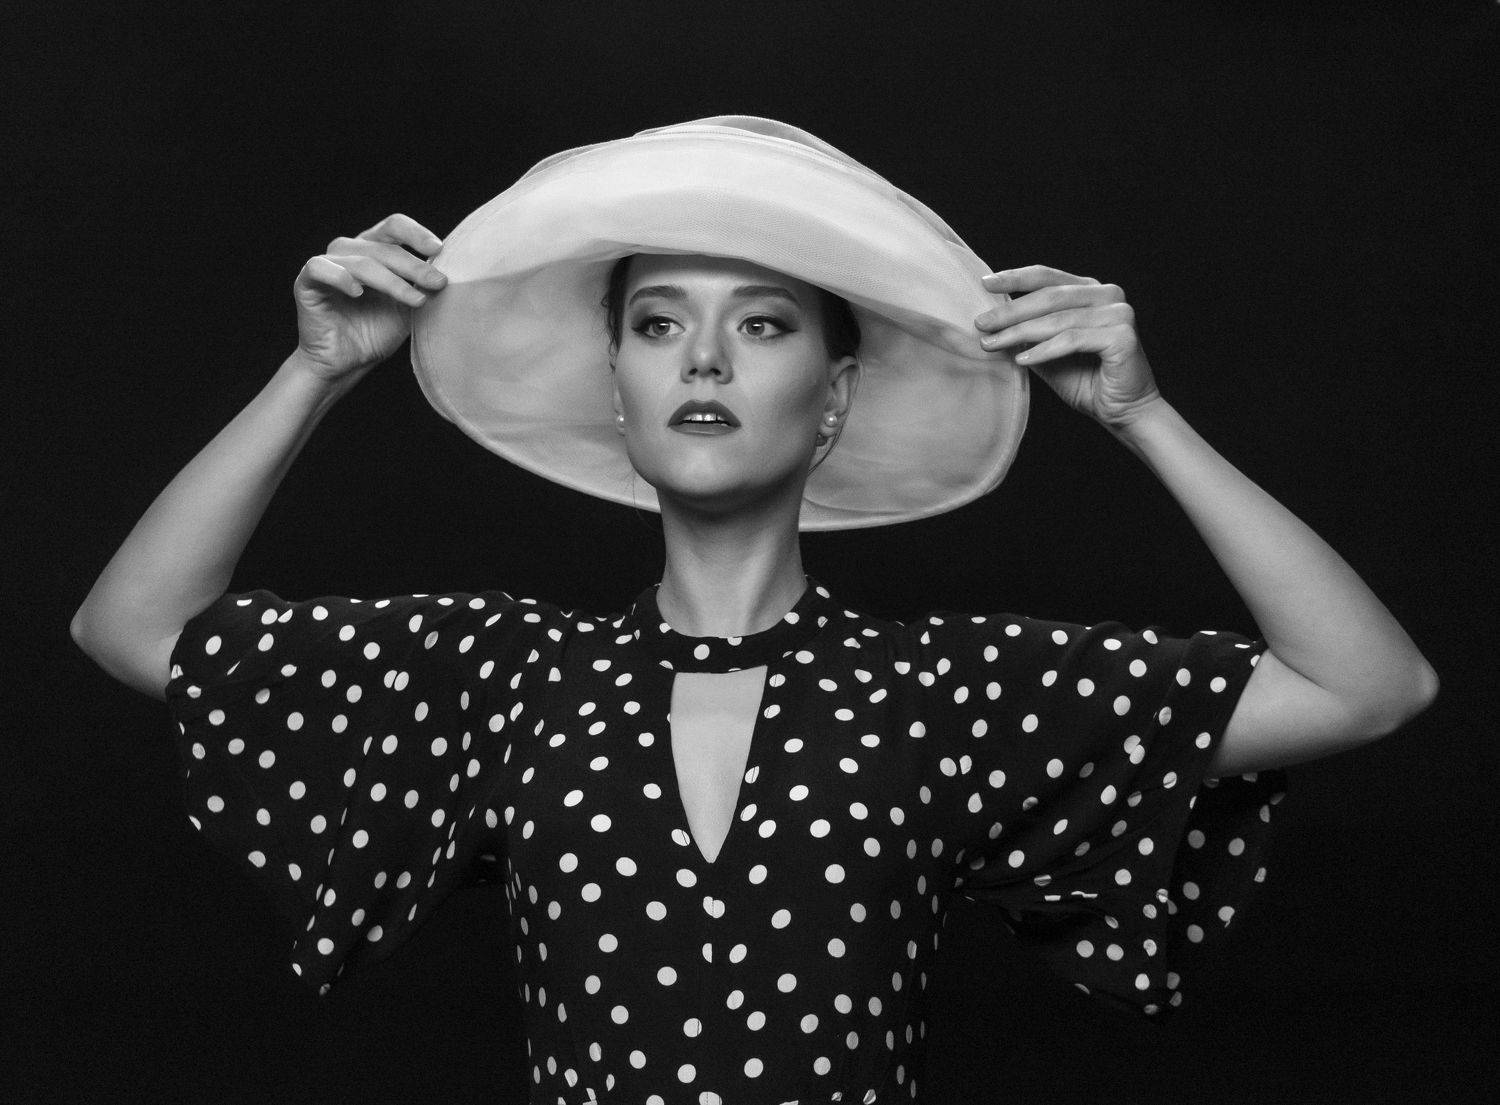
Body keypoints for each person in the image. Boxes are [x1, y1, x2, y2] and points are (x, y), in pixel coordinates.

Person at [71, 117, 1436, 1105]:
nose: (707, 361)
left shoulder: (947, 695)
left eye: (765, 324)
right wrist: (313, 374)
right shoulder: (505, 675)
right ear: (618, 383)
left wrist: (1143, 418)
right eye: (659, 323)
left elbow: (1368, 687)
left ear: (834, 395)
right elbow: (133, 628)